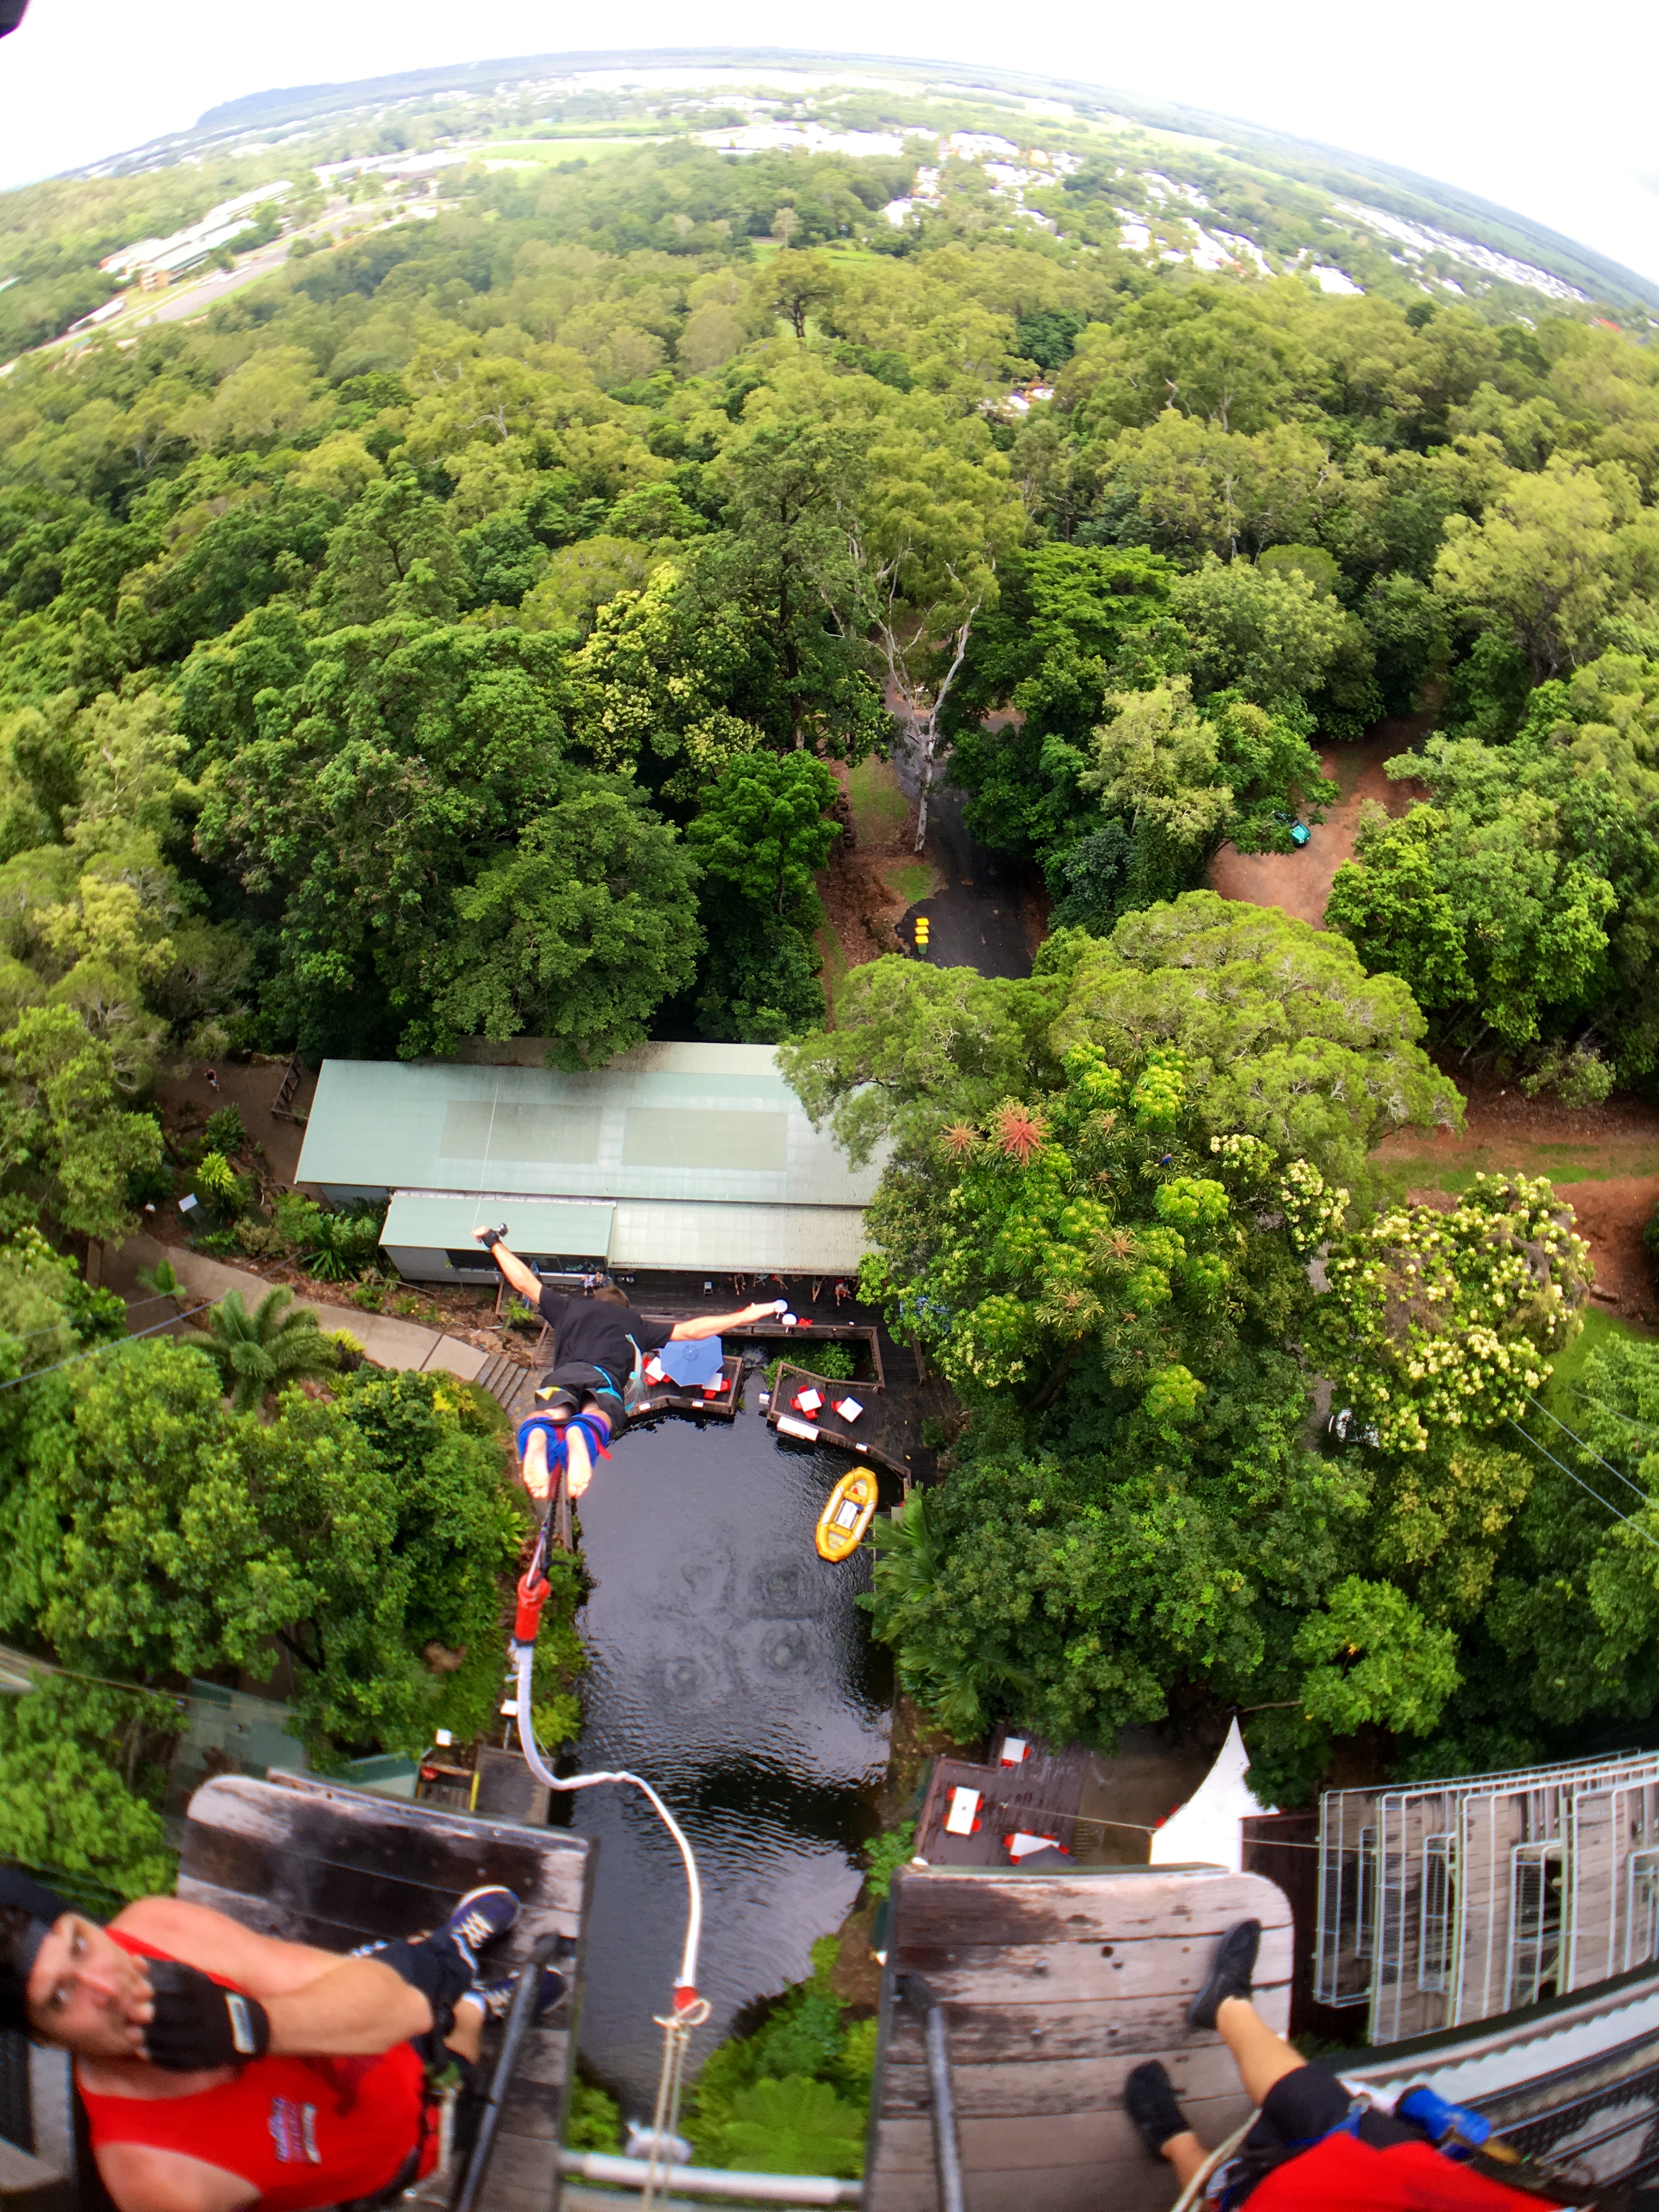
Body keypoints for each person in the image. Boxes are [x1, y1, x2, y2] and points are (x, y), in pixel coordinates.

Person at [2, 1872, 562, 2212]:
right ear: (46, 2037)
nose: (105, 1986)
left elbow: (402, 2005)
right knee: (459, 2060)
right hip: (409, 2150)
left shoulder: (158, 1931)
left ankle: (452, 1954)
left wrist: (246, 2026)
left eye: (79, 1945)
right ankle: (474, 2005)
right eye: (60, 1997)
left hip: (382, 2029)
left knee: (409, 1978)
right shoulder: (150, 2178)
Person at [1124, 1920, 1567, 2211]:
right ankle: (1226, 2004)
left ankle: (1173, 2140)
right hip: (1420, 2183)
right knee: (1313, 2099)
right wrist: (1471, 2147)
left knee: (1232, 2190)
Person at [474, 1229, 788, 1502]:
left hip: (564, 1376)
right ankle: (581, 1434)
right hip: (603, 1380)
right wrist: (744, 1316)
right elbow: (693, 1330)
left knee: (552, 1412)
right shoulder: (636, 1325)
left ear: (596, 1301)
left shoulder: (569, 1308)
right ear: (626, 1308)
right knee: (597, 1414)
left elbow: (525, 1283)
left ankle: (540, 1432)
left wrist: (493, 1242)